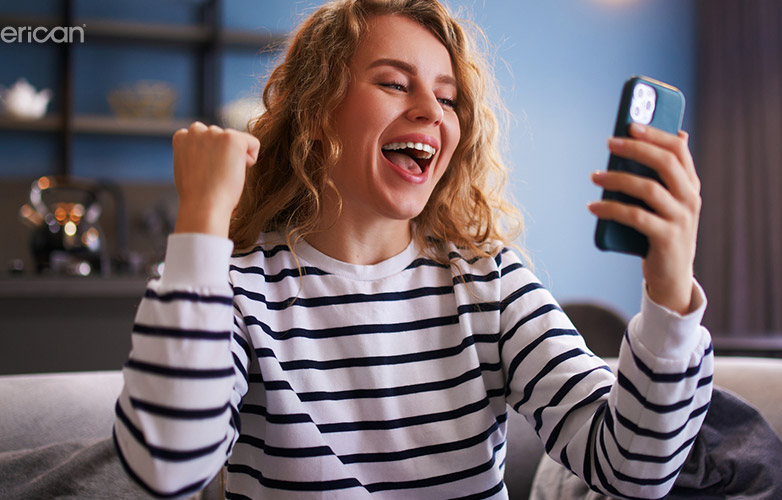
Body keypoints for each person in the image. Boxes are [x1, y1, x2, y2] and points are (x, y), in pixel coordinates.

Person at [113, 0, 713, 498]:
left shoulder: (490, 284)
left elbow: (632, 470)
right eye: (395, 84)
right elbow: (166, 470)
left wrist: (669, 292)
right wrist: (201, 221)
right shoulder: (242, 291)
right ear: (319, 110)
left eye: (448, 98)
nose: (430, 110)